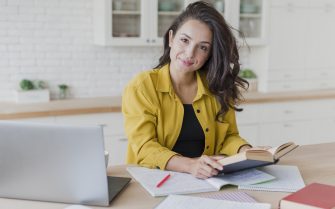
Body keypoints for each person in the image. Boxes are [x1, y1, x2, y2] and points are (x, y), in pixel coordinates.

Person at [122, 1, 252, 179]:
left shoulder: (217, 86)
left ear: (210, 54)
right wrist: (191, 165)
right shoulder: (142, 86)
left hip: (207, 181)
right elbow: (144, 147)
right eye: (184, 40)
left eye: (203, 47)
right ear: (171, 38)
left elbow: (229, 137)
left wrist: (247, 151)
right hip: (154, 181)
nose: (190, 53)